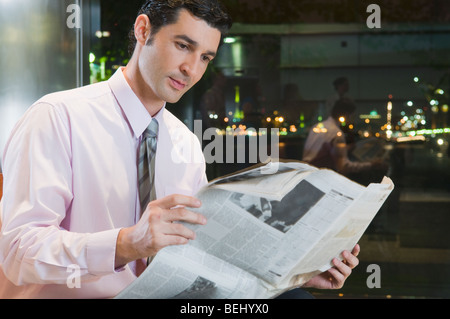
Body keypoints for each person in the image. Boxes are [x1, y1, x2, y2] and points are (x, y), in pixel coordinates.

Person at [0, 0, 359, 299]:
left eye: (205, 57)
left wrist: (291, 274)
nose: (190, 69)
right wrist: (126, 244)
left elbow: (202, 253)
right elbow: (17, 252)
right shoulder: (58, 117)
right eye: (183, 46)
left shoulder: (185, 141)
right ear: (144, 30)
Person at [303, 98, 386, 177]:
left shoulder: (317, 126)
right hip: (320, 177)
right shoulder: (336, 133)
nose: (352, 119)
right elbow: (344, 167)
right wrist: (371, 164)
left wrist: (346, 148)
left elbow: (322, 150)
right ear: (346, 114)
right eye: (352, 116)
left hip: (305, 173)